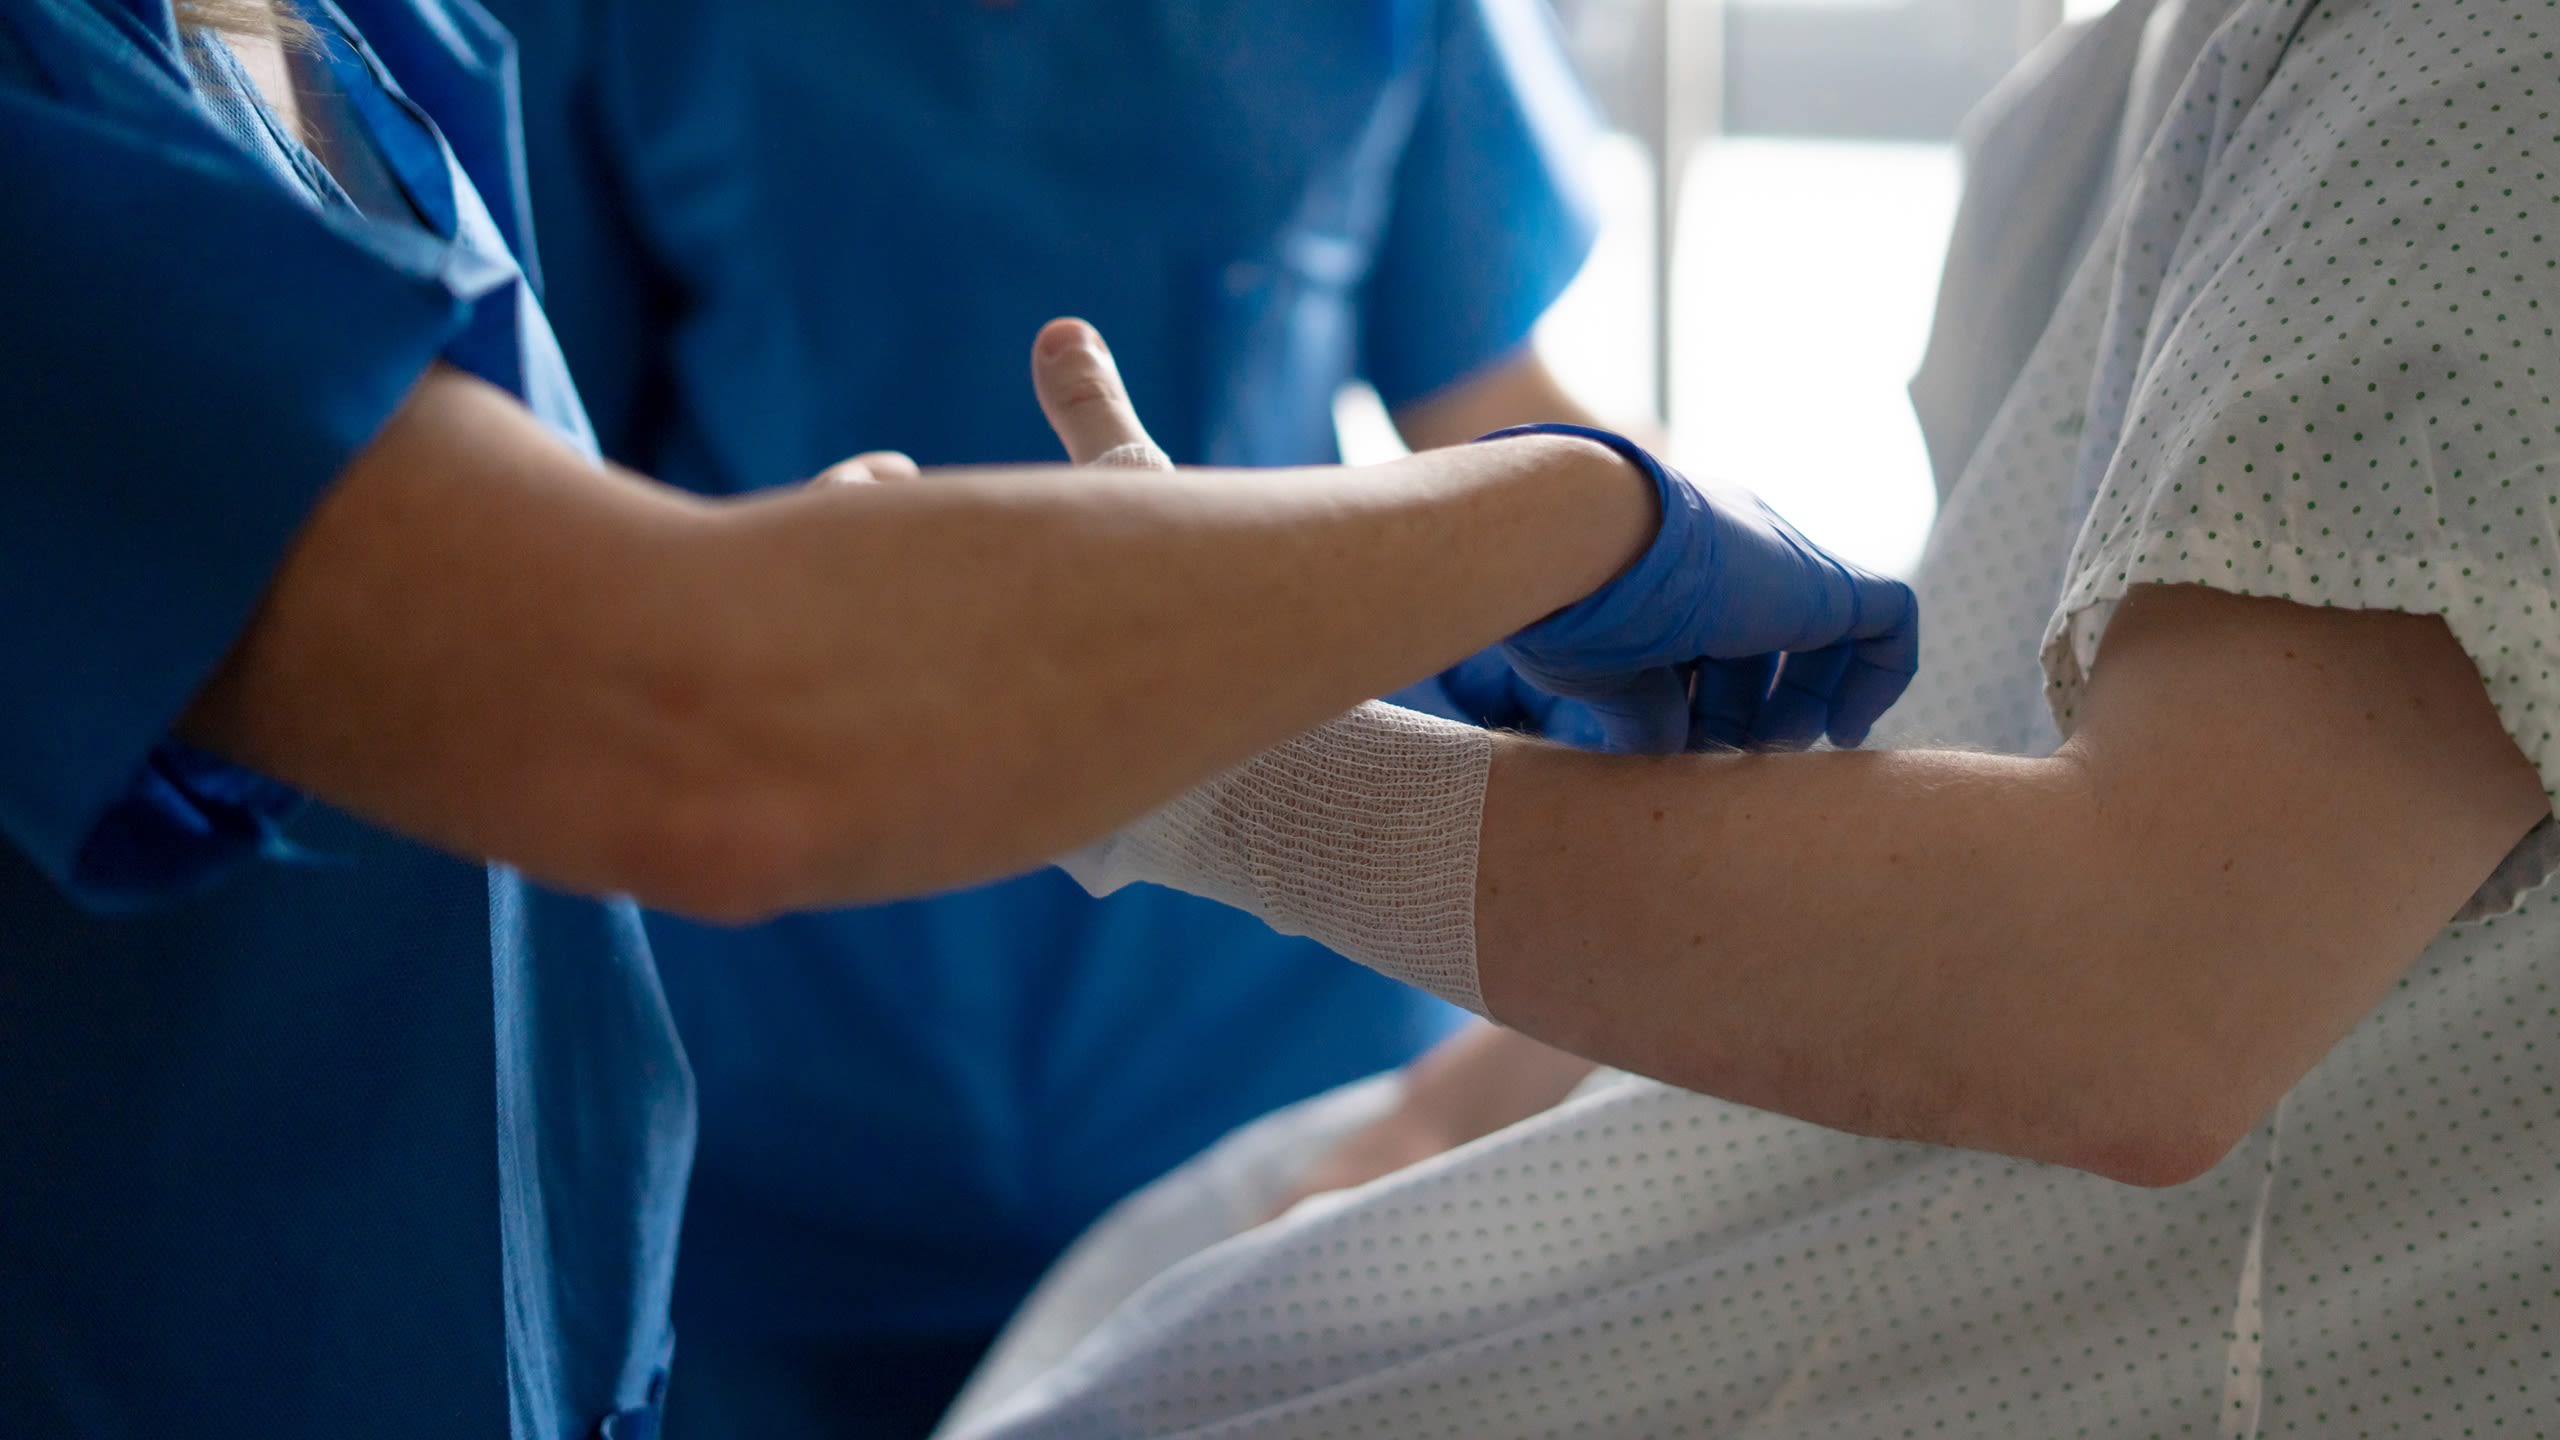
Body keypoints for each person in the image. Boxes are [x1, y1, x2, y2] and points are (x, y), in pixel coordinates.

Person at [0, 1, 1914, 1436]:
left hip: (1211, 1063)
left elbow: (549, 549)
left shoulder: (373, 49)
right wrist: (1572, 515)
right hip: (783, 1096)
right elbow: (636, 664)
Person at [904, 1, 2560, 1435]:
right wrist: (1446, 1104)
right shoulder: (2114, 81)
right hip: (1683, 1172)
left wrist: (1229, 769)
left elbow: (2147, 984)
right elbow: (2014, 714)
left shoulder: (2472, 69)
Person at [464, 2, 1621, 1429]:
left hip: (1266, 1070)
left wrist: (1670, 586)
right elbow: (537, 504)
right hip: (771, 1085)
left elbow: (1494, 410)